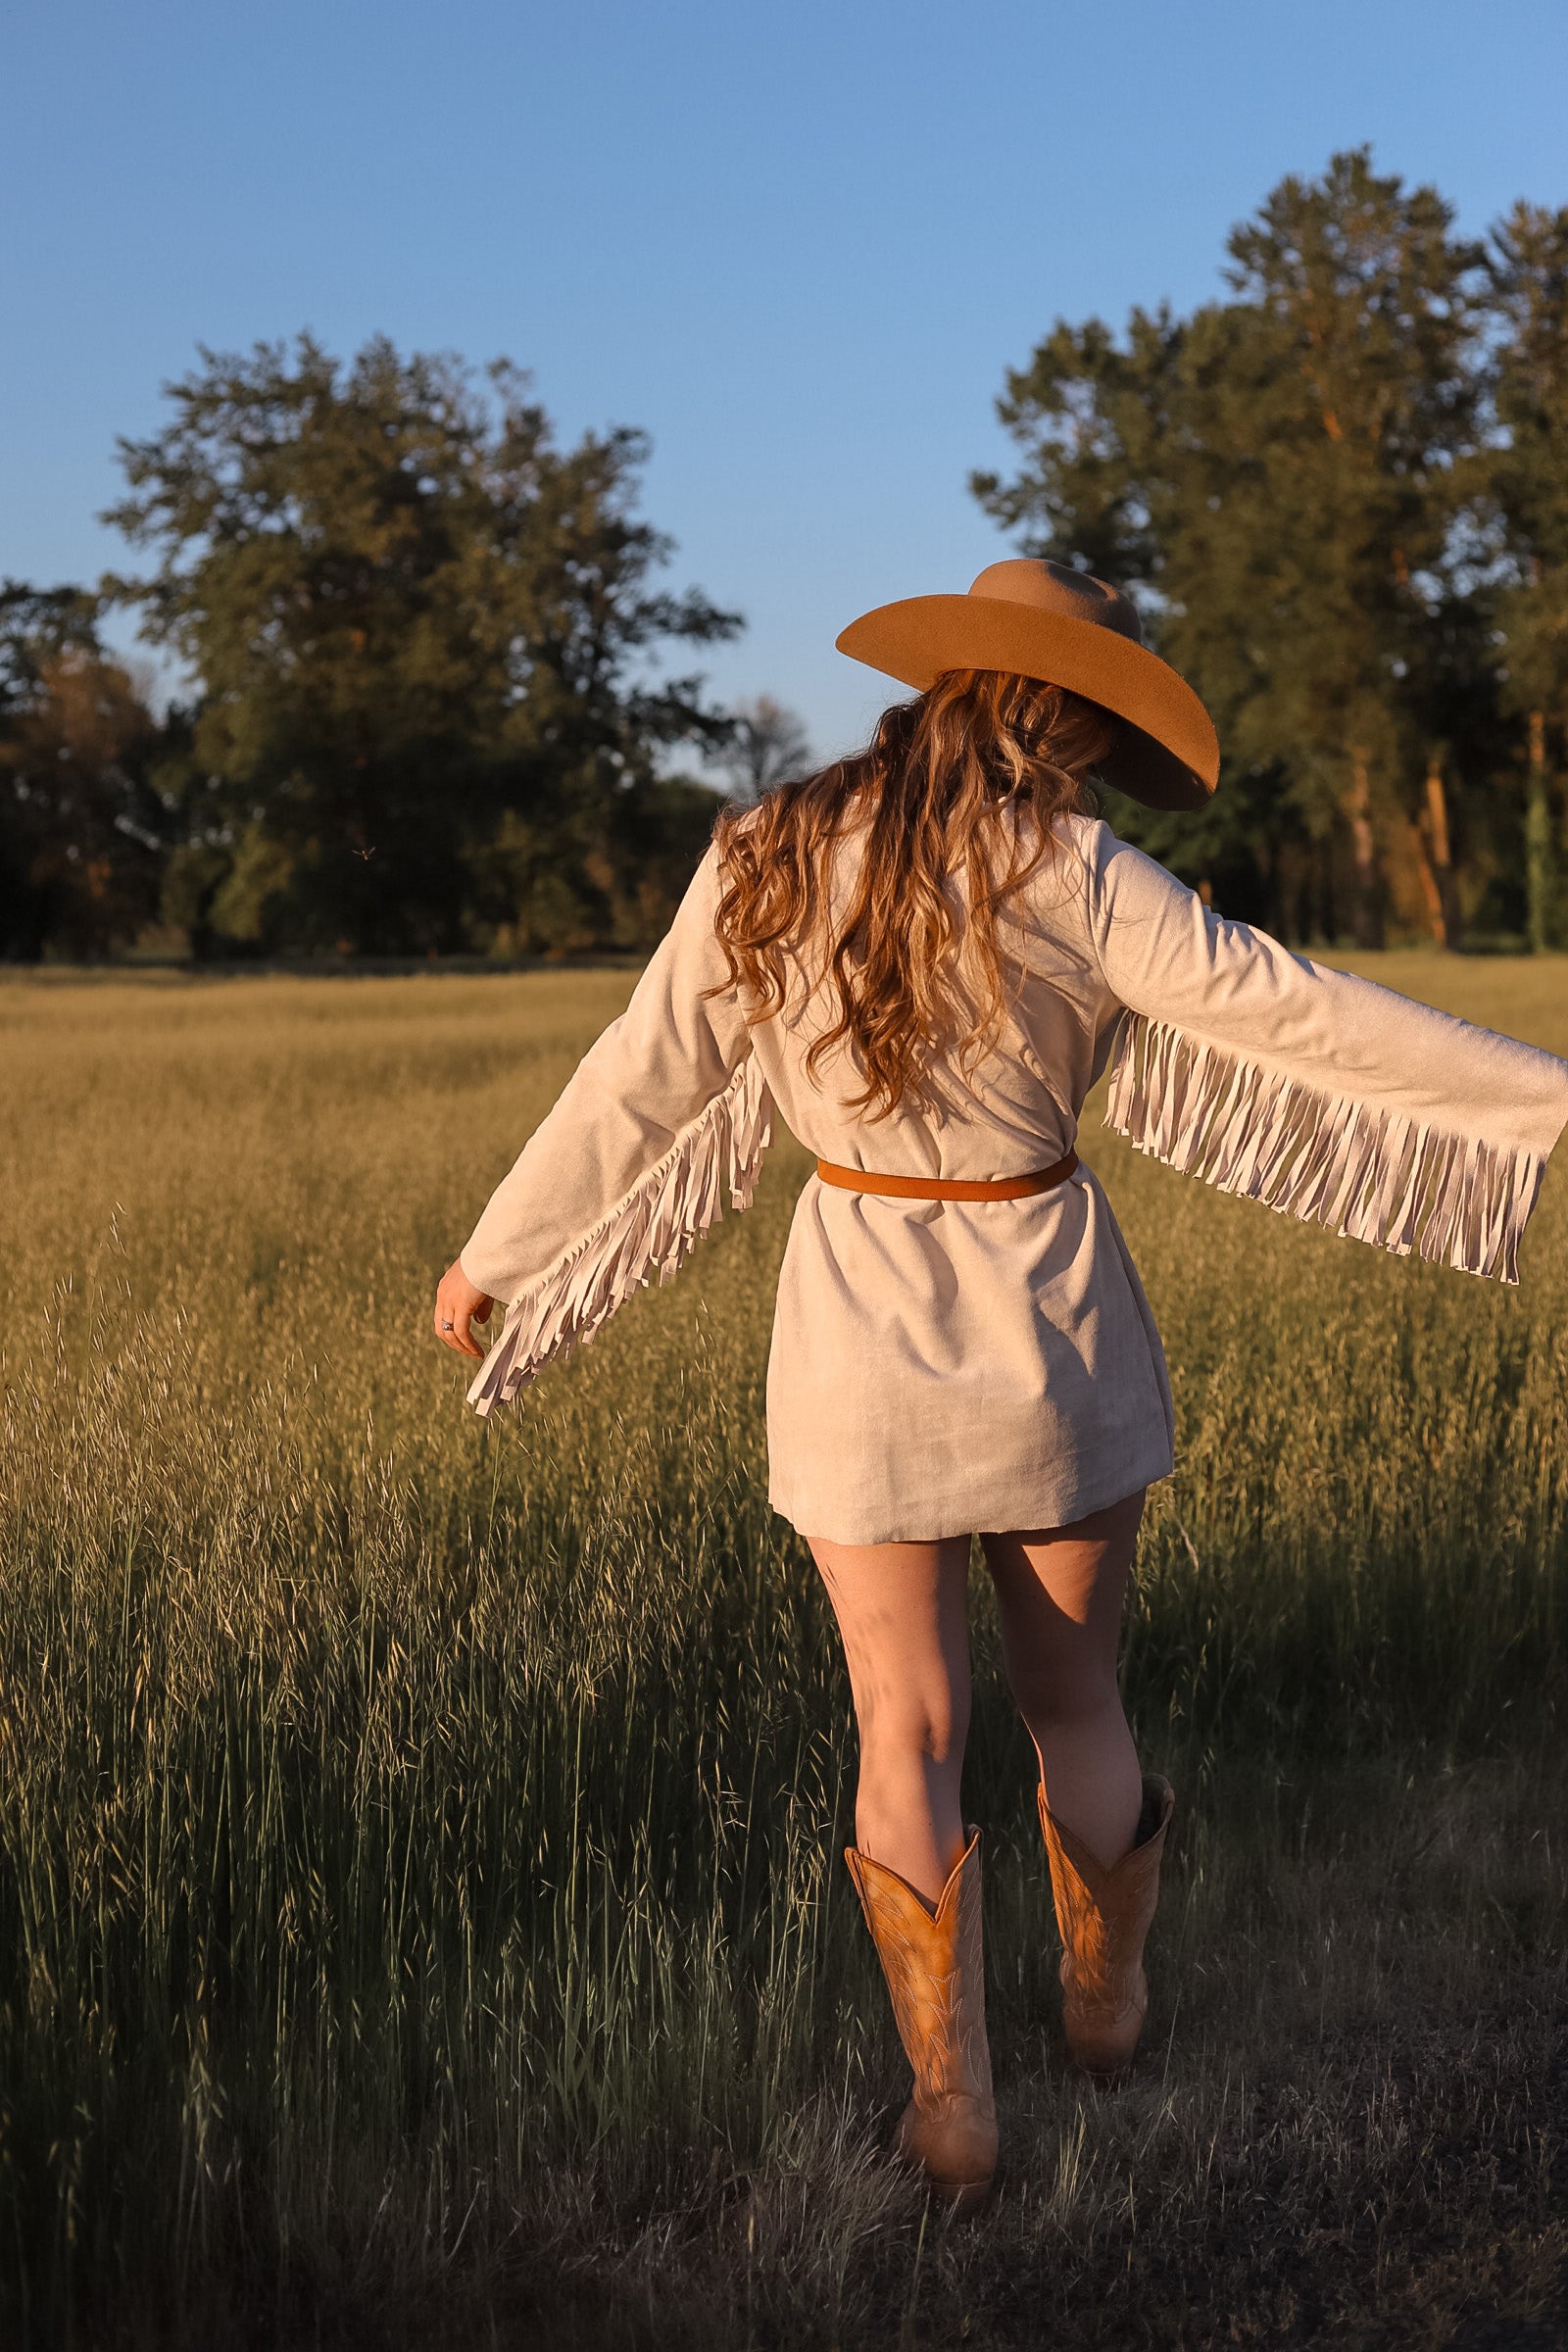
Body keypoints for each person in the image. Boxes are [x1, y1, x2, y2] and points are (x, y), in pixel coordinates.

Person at [434, 561, 1568, 2213]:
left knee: (907, 1723)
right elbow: (1304, 1018)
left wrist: (494, 1257)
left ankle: (953, 2105)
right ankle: (1104, 2020)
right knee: (1078, 1704)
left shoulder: (760, 856)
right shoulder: (1082, 873)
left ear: (938, 683)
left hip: (854, 1328)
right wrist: (1542, 1098)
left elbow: (639, 1078)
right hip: (1054, 1321)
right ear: (1069, 716)